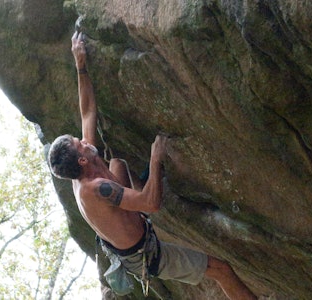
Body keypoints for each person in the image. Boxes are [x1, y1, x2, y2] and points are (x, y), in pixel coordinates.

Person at [47, 31, 257, 300]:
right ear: (82, 160)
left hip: (127, 230)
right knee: (222, 269)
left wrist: (81, 64)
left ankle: (134, 189)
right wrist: (156, 159)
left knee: (118, 162)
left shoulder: (84, 165)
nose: (84, 140)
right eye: (80, 143)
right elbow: (151, 204)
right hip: (147, 254)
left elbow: (87, 110)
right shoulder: (96, 188)